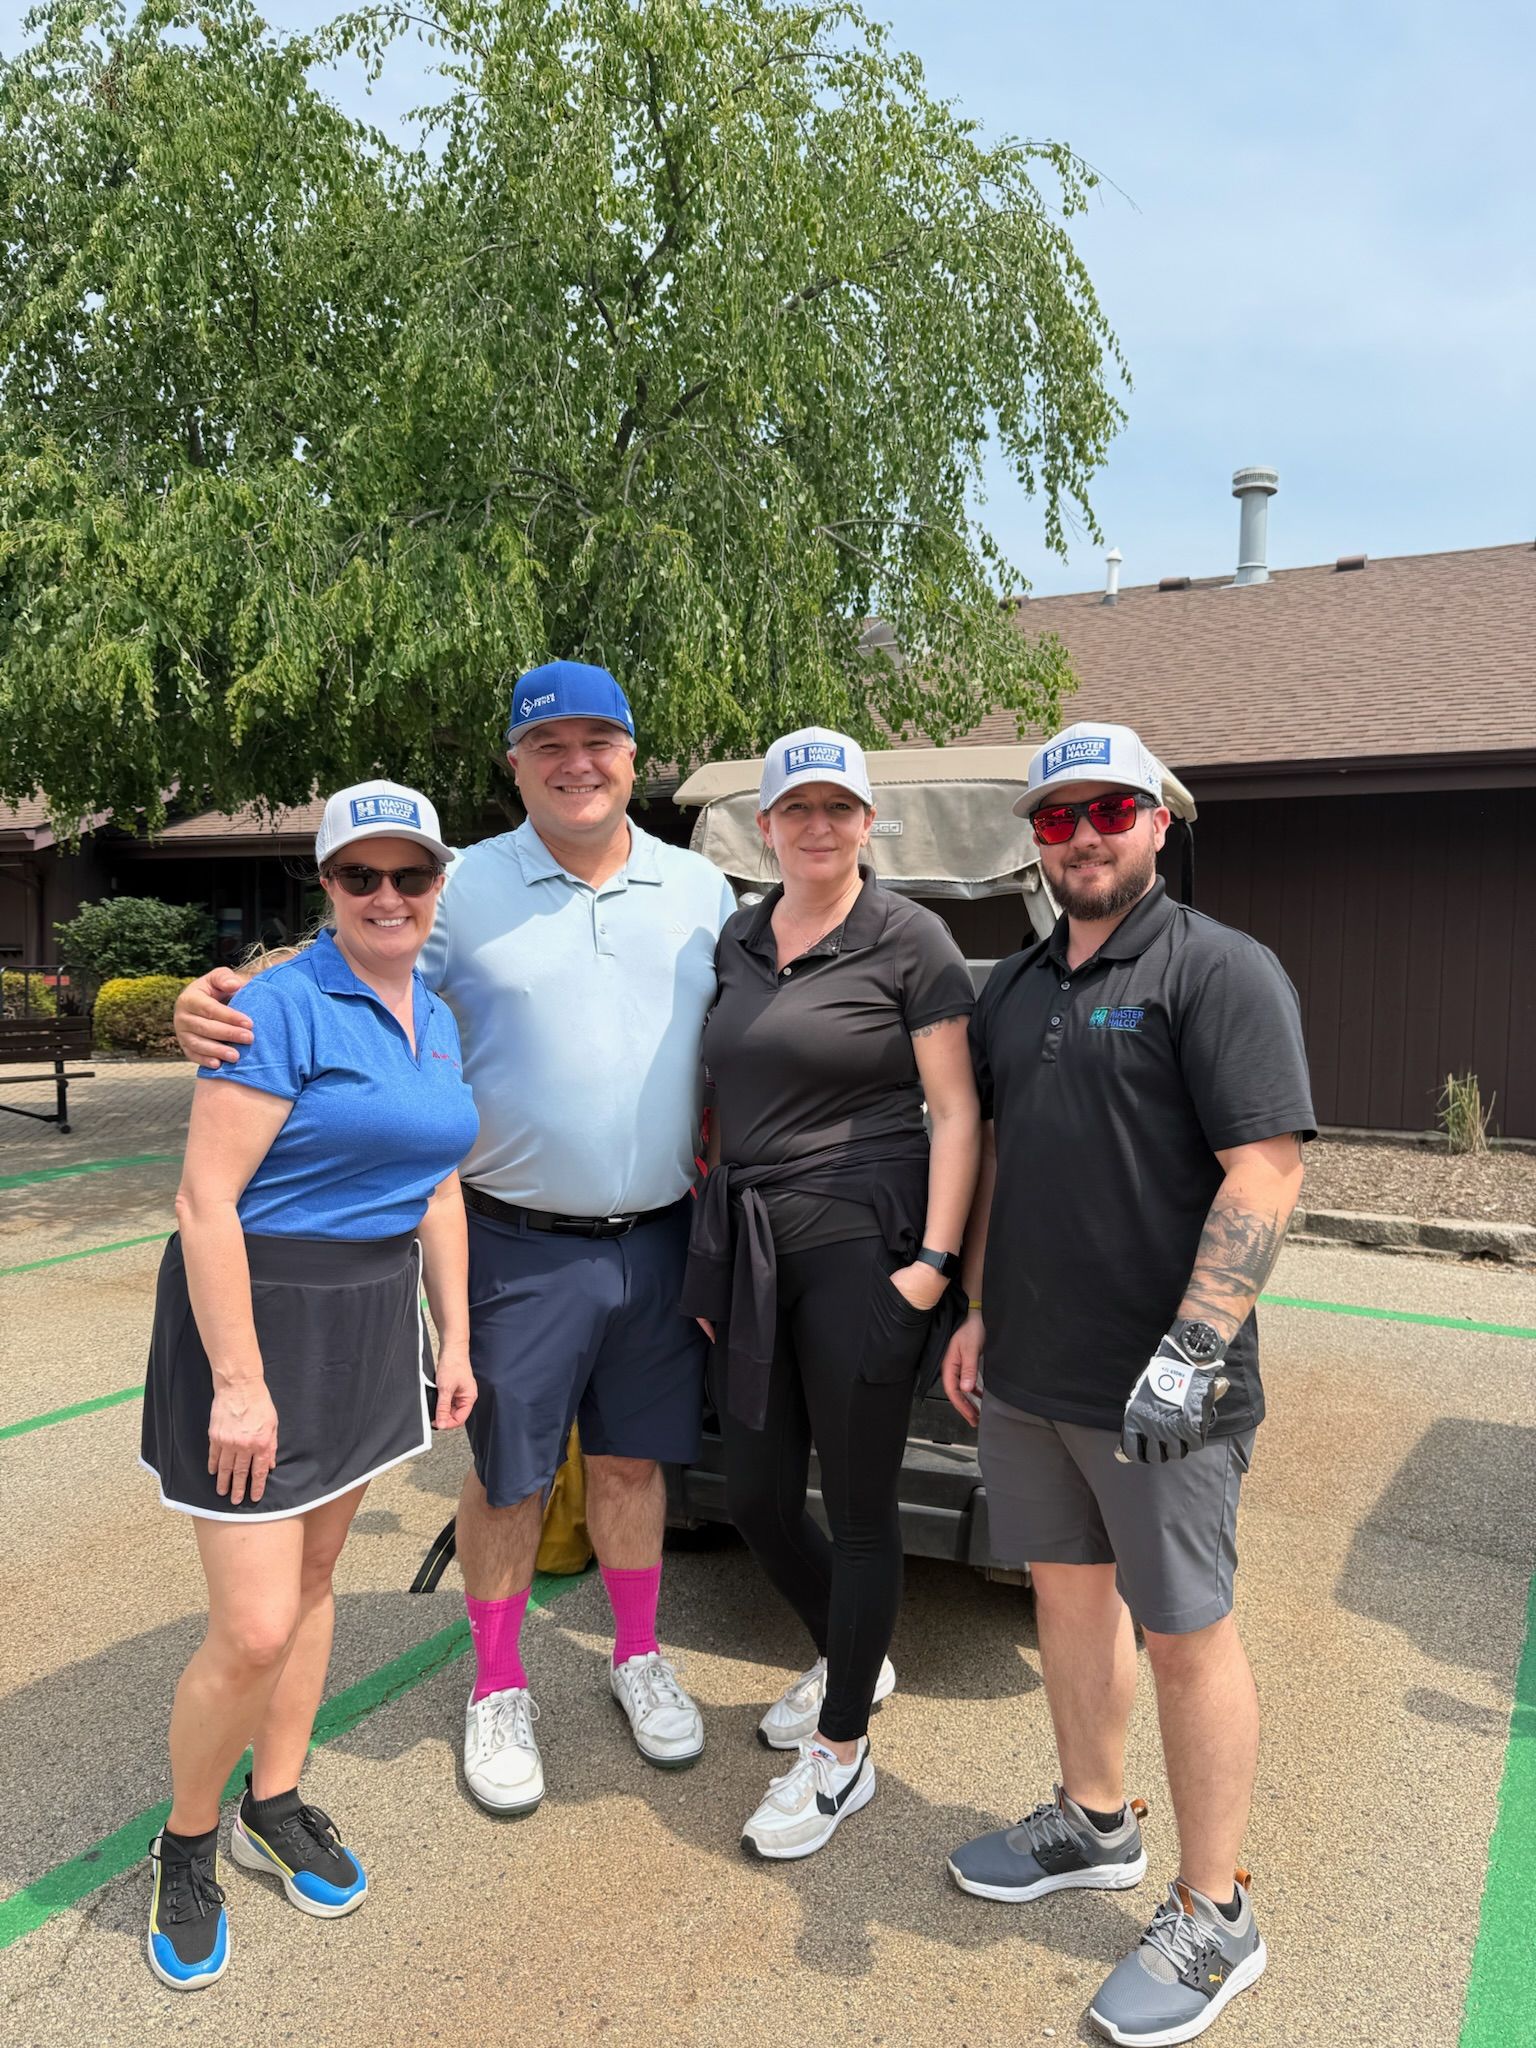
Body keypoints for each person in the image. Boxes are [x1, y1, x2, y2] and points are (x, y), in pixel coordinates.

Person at [175, 662, 737, 1819]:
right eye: (548, 745)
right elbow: (355, 966)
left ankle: (636, 1653)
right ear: (516, 764)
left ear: (636, 755)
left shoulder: (704, 887)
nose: (576, 762)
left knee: (634, 1463)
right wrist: (216, 997)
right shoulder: (460, 881)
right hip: (517, 1236)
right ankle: (496, 1679)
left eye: (599, 740)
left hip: (661, 1232)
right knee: (511, 1474)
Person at [939, 723, 1314, 2046]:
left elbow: (1265, 1170)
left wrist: (1197, 1346)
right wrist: (979, 1312)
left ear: (1159, 822)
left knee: (1185, 1634)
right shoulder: (1015, 987)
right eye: (1057, 816)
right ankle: (1094, 1822)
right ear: (1035, 842)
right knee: (1065, 1603)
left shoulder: (1220, 972)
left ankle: (1217, 1912)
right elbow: (995, 1162)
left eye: (1111, 808)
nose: (1084, 833)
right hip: (1032, 1377)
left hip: (1166, 1393)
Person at [142, 781, 479, 1992]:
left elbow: (439, 1186)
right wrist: (238, 1380)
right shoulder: (276, 1005)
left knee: (323, 1575)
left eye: (411, 875)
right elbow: (204, 1202)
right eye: (360, 877)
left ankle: (271, 1796)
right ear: (325, 886)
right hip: (260, 1323)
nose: (389, 897)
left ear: (439, 884)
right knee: (255, 1622)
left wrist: (459, 1337)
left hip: (372, 1324)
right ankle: (186, 1838)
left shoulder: (435, 1012)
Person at [682, 727, 980, 1860]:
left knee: (860, 1505)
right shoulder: (739, 939)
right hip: (755, 1241)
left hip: (866, 1242)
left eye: (838, 807)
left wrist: (933, 1265)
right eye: (795, 809)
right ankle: (854, 1650)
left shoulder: (912, 938)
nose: (818, 825)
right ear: (767, 828)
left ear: (867, 821)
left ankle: (843, 1754)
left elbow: (956, 1111)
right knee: (754, 1488)